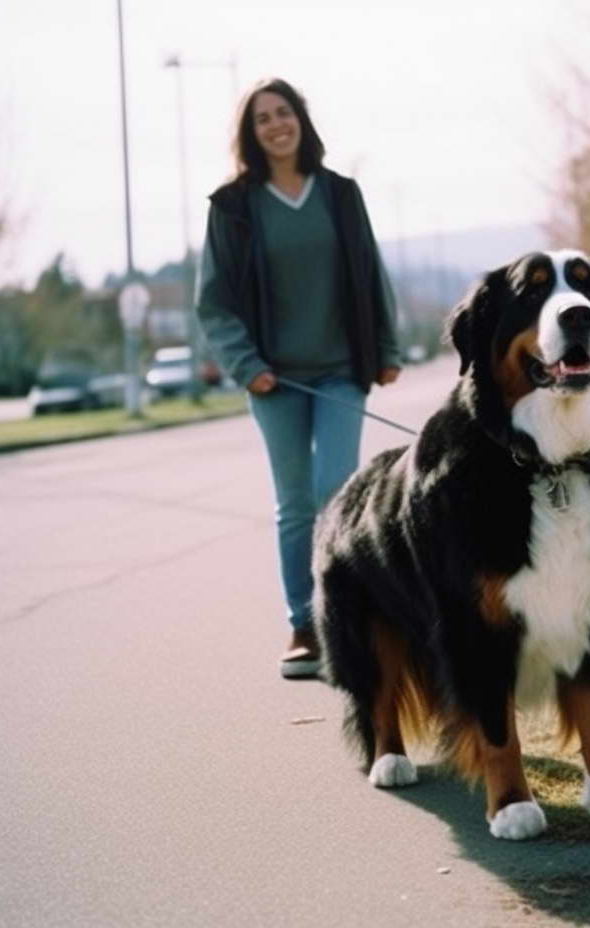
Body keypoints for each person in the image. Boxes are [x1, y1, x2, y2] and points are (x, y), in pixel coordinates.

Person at [195, 78, 401, 679]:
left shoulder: (340, 194)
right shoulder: (233, 207)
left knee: (335, 491)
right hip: (275, 381)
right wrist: (246, 365)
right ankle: (303, 625)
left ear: (300, 121)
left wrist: (385, 347)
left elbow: (371, 273)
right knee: (293, 504)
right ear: (251, 133)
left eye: (284, 113)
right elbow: (214, 303)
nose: (276, 125)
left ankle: (346, 620)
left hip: (341, 371)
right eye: (262, 118)